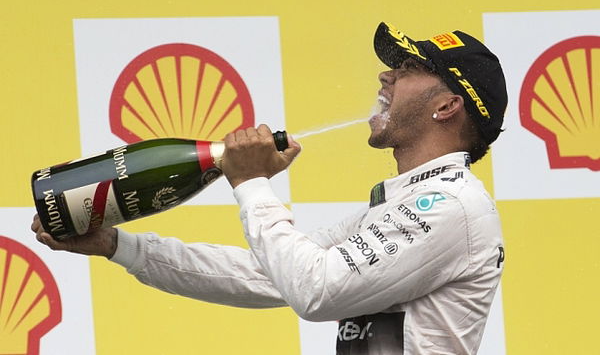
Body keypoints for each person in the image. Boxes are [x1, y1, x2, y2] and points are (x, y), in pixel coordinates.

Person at [31, 22, 508, 354]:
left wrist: (252, 183)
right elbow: (263, 275)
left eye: (407, 68)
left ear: (446, 107)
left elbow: (316, 291)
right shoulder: (408, 200)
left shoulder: (450, 205)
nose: (386, 74)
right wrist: (118, 245)